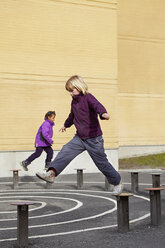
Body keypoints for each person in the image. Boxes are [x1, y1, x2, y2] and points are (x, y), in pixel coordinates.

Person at [36, 75, 123, 195]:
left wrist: (103, 113)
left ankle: (117, 183)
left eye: (72, 90)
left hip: (94, 139)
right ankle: (51, 174)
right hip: (80, 138)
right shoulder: (74, 102)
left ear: (79, 87)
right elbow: (72, 115)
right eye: (69, 92)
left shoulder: (88, 97)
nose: (71, 93)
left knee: (102, 164)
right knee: (65, 151)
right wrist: (66, 125)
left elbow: (97, 105)